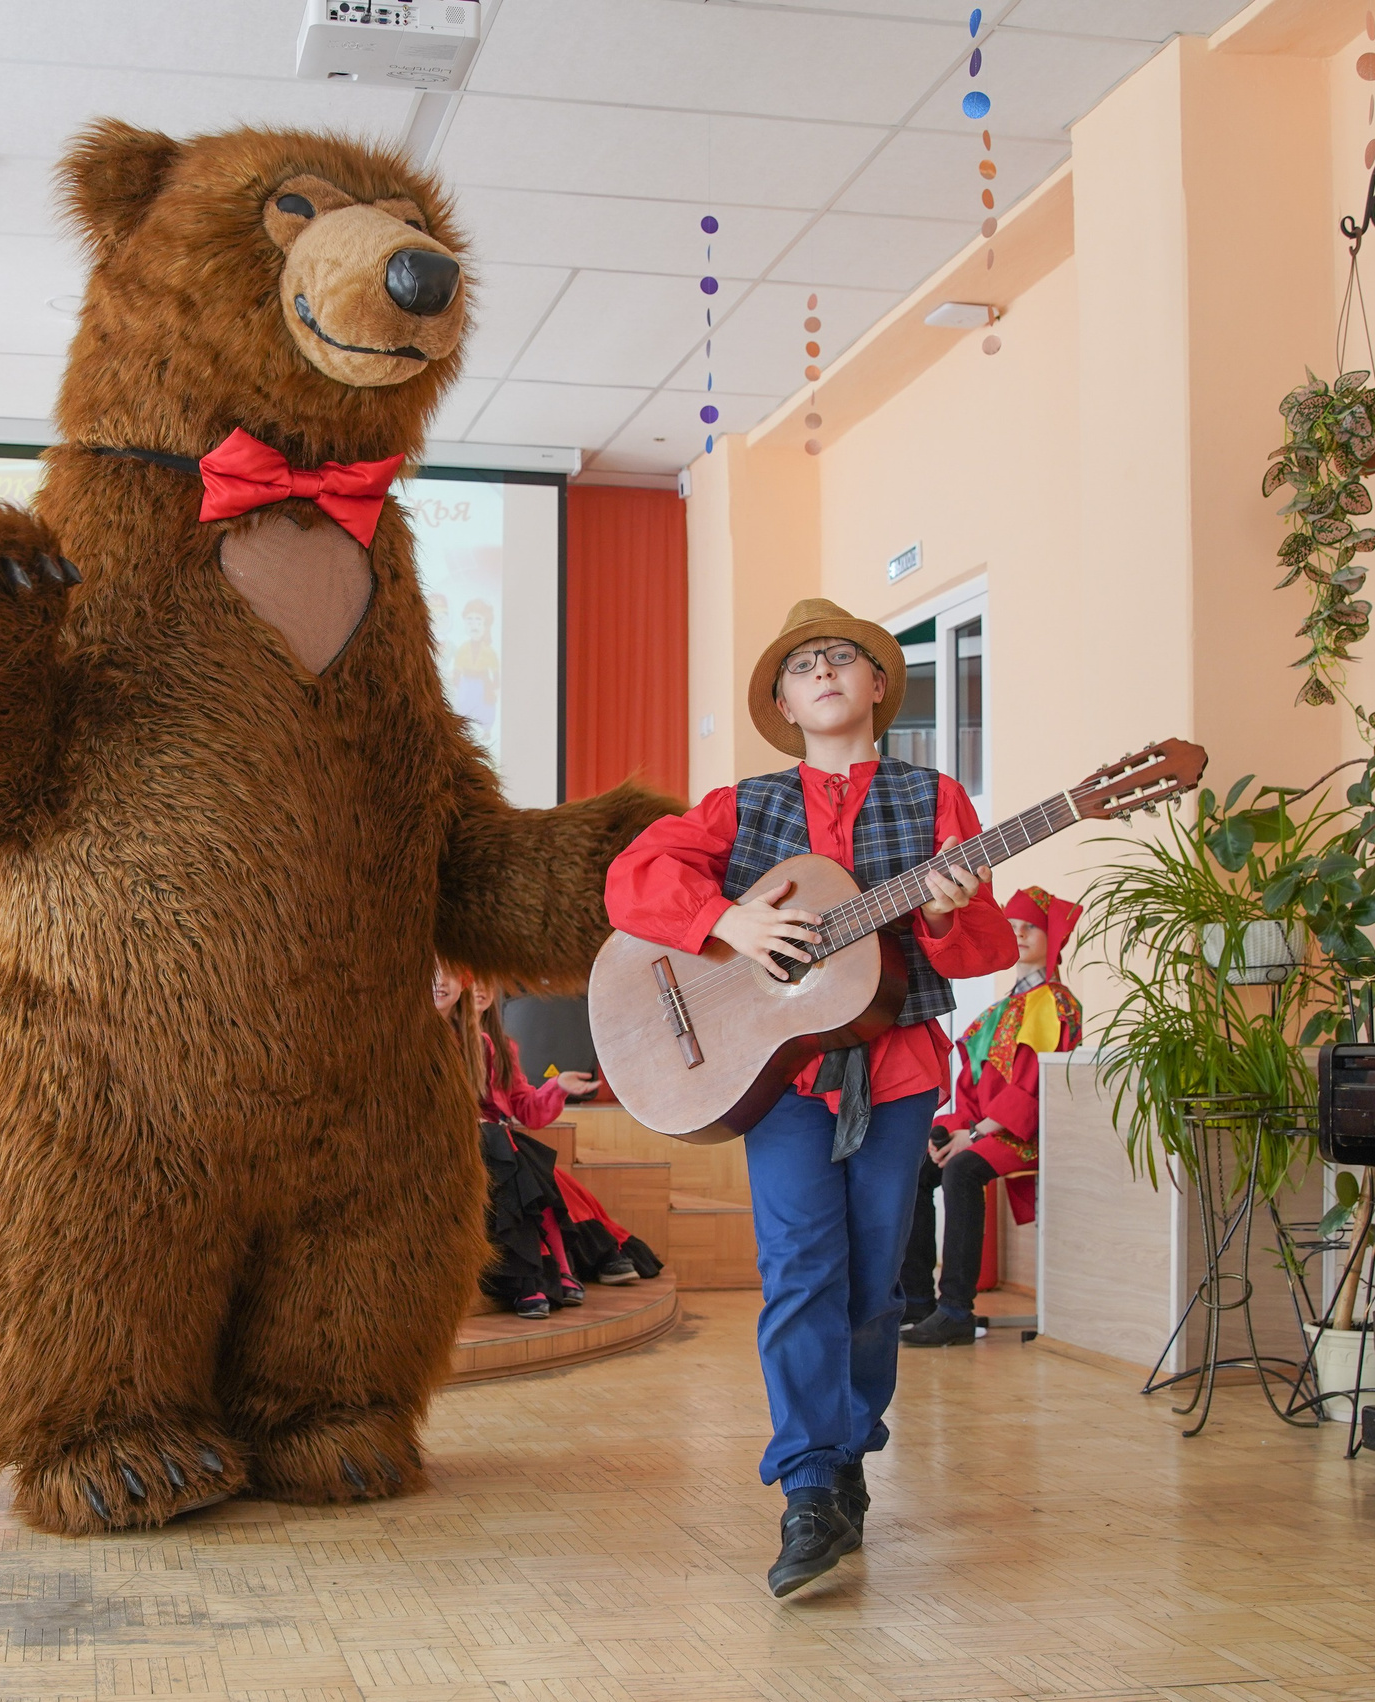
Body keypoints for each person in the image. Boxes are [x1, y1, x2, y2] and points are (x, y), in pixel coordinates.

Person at [605, 597, 1015, 1598]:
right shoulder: (741, 809)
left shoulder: (935, 801)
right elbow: (634, 878)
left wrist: (953, 911)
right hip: (780, 1077)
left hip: (899, 1069)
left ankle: (844, 1451)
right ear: (784, 702)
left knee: (873, 1285)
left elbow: (983, 947)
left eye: (844, 659)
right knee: (797, 1270)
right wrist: (727, 921)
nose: (824, 673)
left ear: (878, 685)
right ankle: (809, 1483)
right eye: (802, 665)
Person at [900, 887, 1083, 1347]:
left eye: (1030, 929)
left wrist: (978, 1133)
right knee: (917, 1165)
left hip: (1029, 1130)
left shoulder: (1059, 1003)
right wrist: (952, 1127)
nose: (1019, 935)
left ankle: (956, 1308)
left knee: (962, 1169)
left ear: (1051, 937)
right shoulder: (1002, 1009)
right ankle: (917, 1301)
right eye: (1013, 927)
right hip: (984, 1127)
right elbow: (972, 1083)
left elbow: (1037, 1084)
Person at [435, 964, 661, 1320]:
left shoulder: (493, 1046)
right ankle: (552, 1275)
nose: (476, 990)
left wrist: (557, 1087)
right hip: (464, 1143)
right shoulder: (415, 1038)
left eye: (484, 985)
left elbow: (527, 1109)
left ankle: (562, 1272)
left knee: (538, 1176)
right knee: (529, 1172)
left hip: (498, 1143)